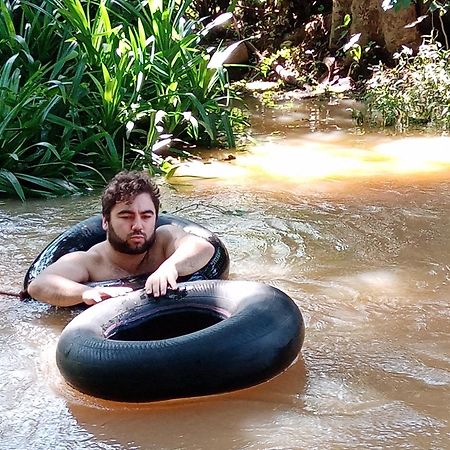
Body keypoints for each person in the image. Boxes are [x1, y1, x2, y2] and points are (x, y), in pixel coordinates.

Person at [27, 171, 215, 307]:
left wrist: (170, 267)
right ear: (105, 221)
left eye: (147, 216)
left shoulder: (164, 239)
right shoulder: (90, 262)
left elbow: (202, 247)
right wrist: (85, 293)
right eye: (126, 216)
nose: (138, 225)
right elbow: (39, 285)